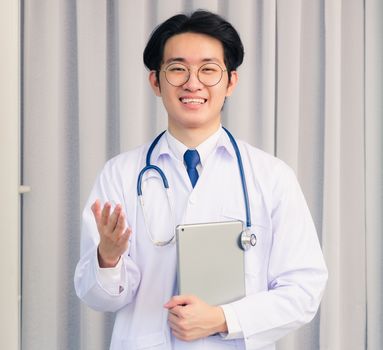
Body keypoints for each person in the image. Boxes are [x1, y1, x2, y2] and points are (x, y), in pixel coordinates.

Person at [74, 10, 327, 350]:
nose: (193, 83)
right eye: (177, 69)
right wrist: (108, 258)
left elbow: (304, 290)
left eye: (209, 70)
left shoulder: (272, 176)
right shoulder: (120, 174)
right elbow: (100, 299)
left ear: (230, 82)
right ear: (155, 82)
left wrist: (224, 318)